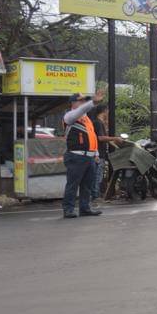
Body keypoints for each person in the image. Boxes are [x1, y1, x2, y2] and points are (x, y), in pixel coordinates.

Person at [61, 89, 106, 218]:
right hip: (76, 156)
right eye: (80, 101)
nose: (83, 103)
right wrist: (93, 102)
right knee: (73, 184)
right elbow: (81, 110)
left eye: (84, 101)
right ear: (73, 103)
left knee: (87, 185)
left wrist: (96, 154)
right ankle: (68, 209)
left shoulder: (87, 120)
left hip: (89, 156)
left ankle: (85, 208)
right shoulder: (69, 116)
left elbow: (92, 137)